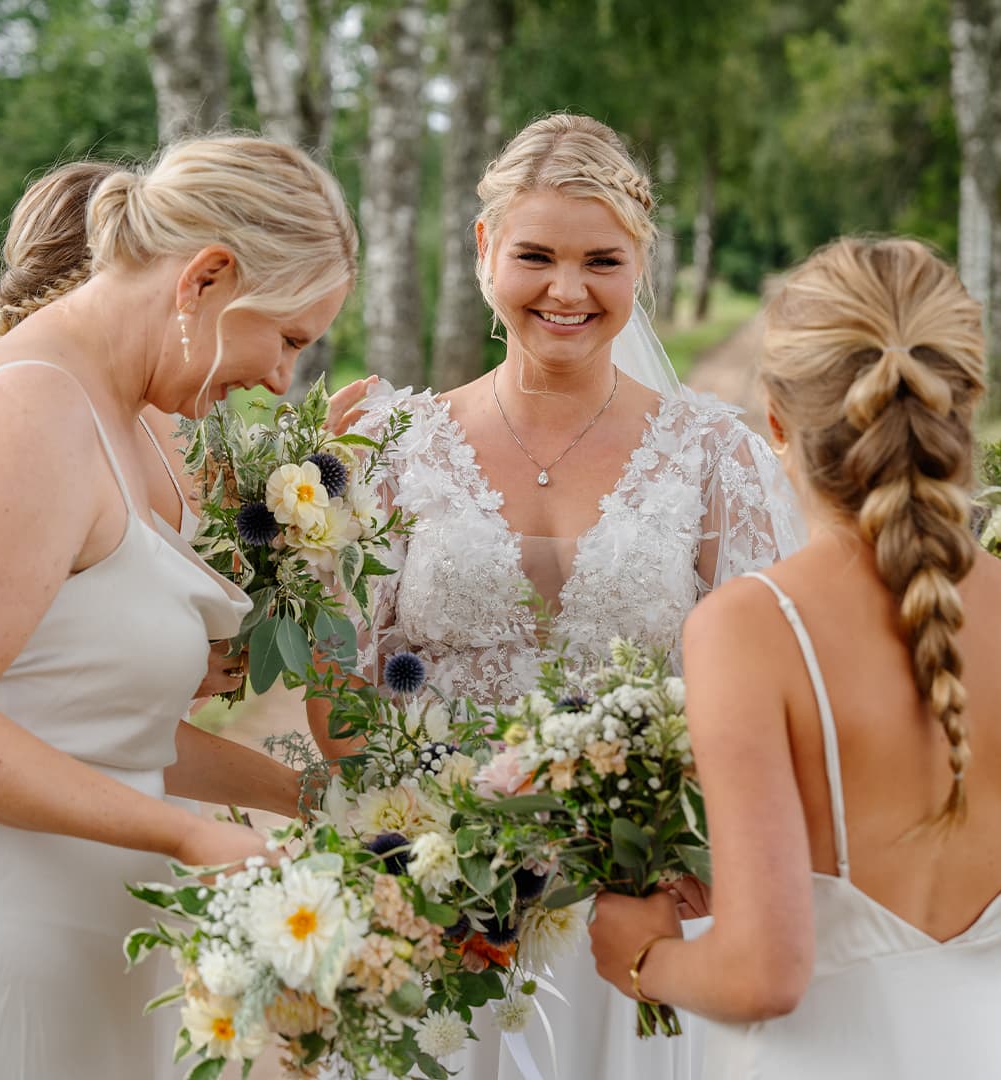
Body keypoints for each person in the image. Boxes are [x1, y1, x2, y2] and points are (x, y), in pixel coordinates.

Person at [0, 136, 360, 1078]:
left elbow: (95, 726)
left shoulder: (132, 421)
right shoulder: (26, 417)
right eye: (289, 338)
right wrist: (190, 834)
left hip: (73, 942)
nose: (280, 379)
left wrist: (316, 801)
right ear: (206, 277)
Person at [317, 112, 804, 1080]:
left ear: (641, 267)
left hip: (634, 909)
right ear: (484, 247)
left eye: (603, 262)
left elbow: (765, 698)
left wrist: (682, 863)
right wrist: (429, 849)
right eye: (535, 255)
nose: (568, 290)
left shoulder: (718, 457)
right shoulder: (390, 445)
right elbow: (339, 692)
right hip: (429, 898)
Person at [587, 236, 1001, 1078]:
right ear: (966, 401)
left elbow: (765, 975)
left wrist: (640, 960)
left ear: (775, 419)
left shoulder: (753, 624)